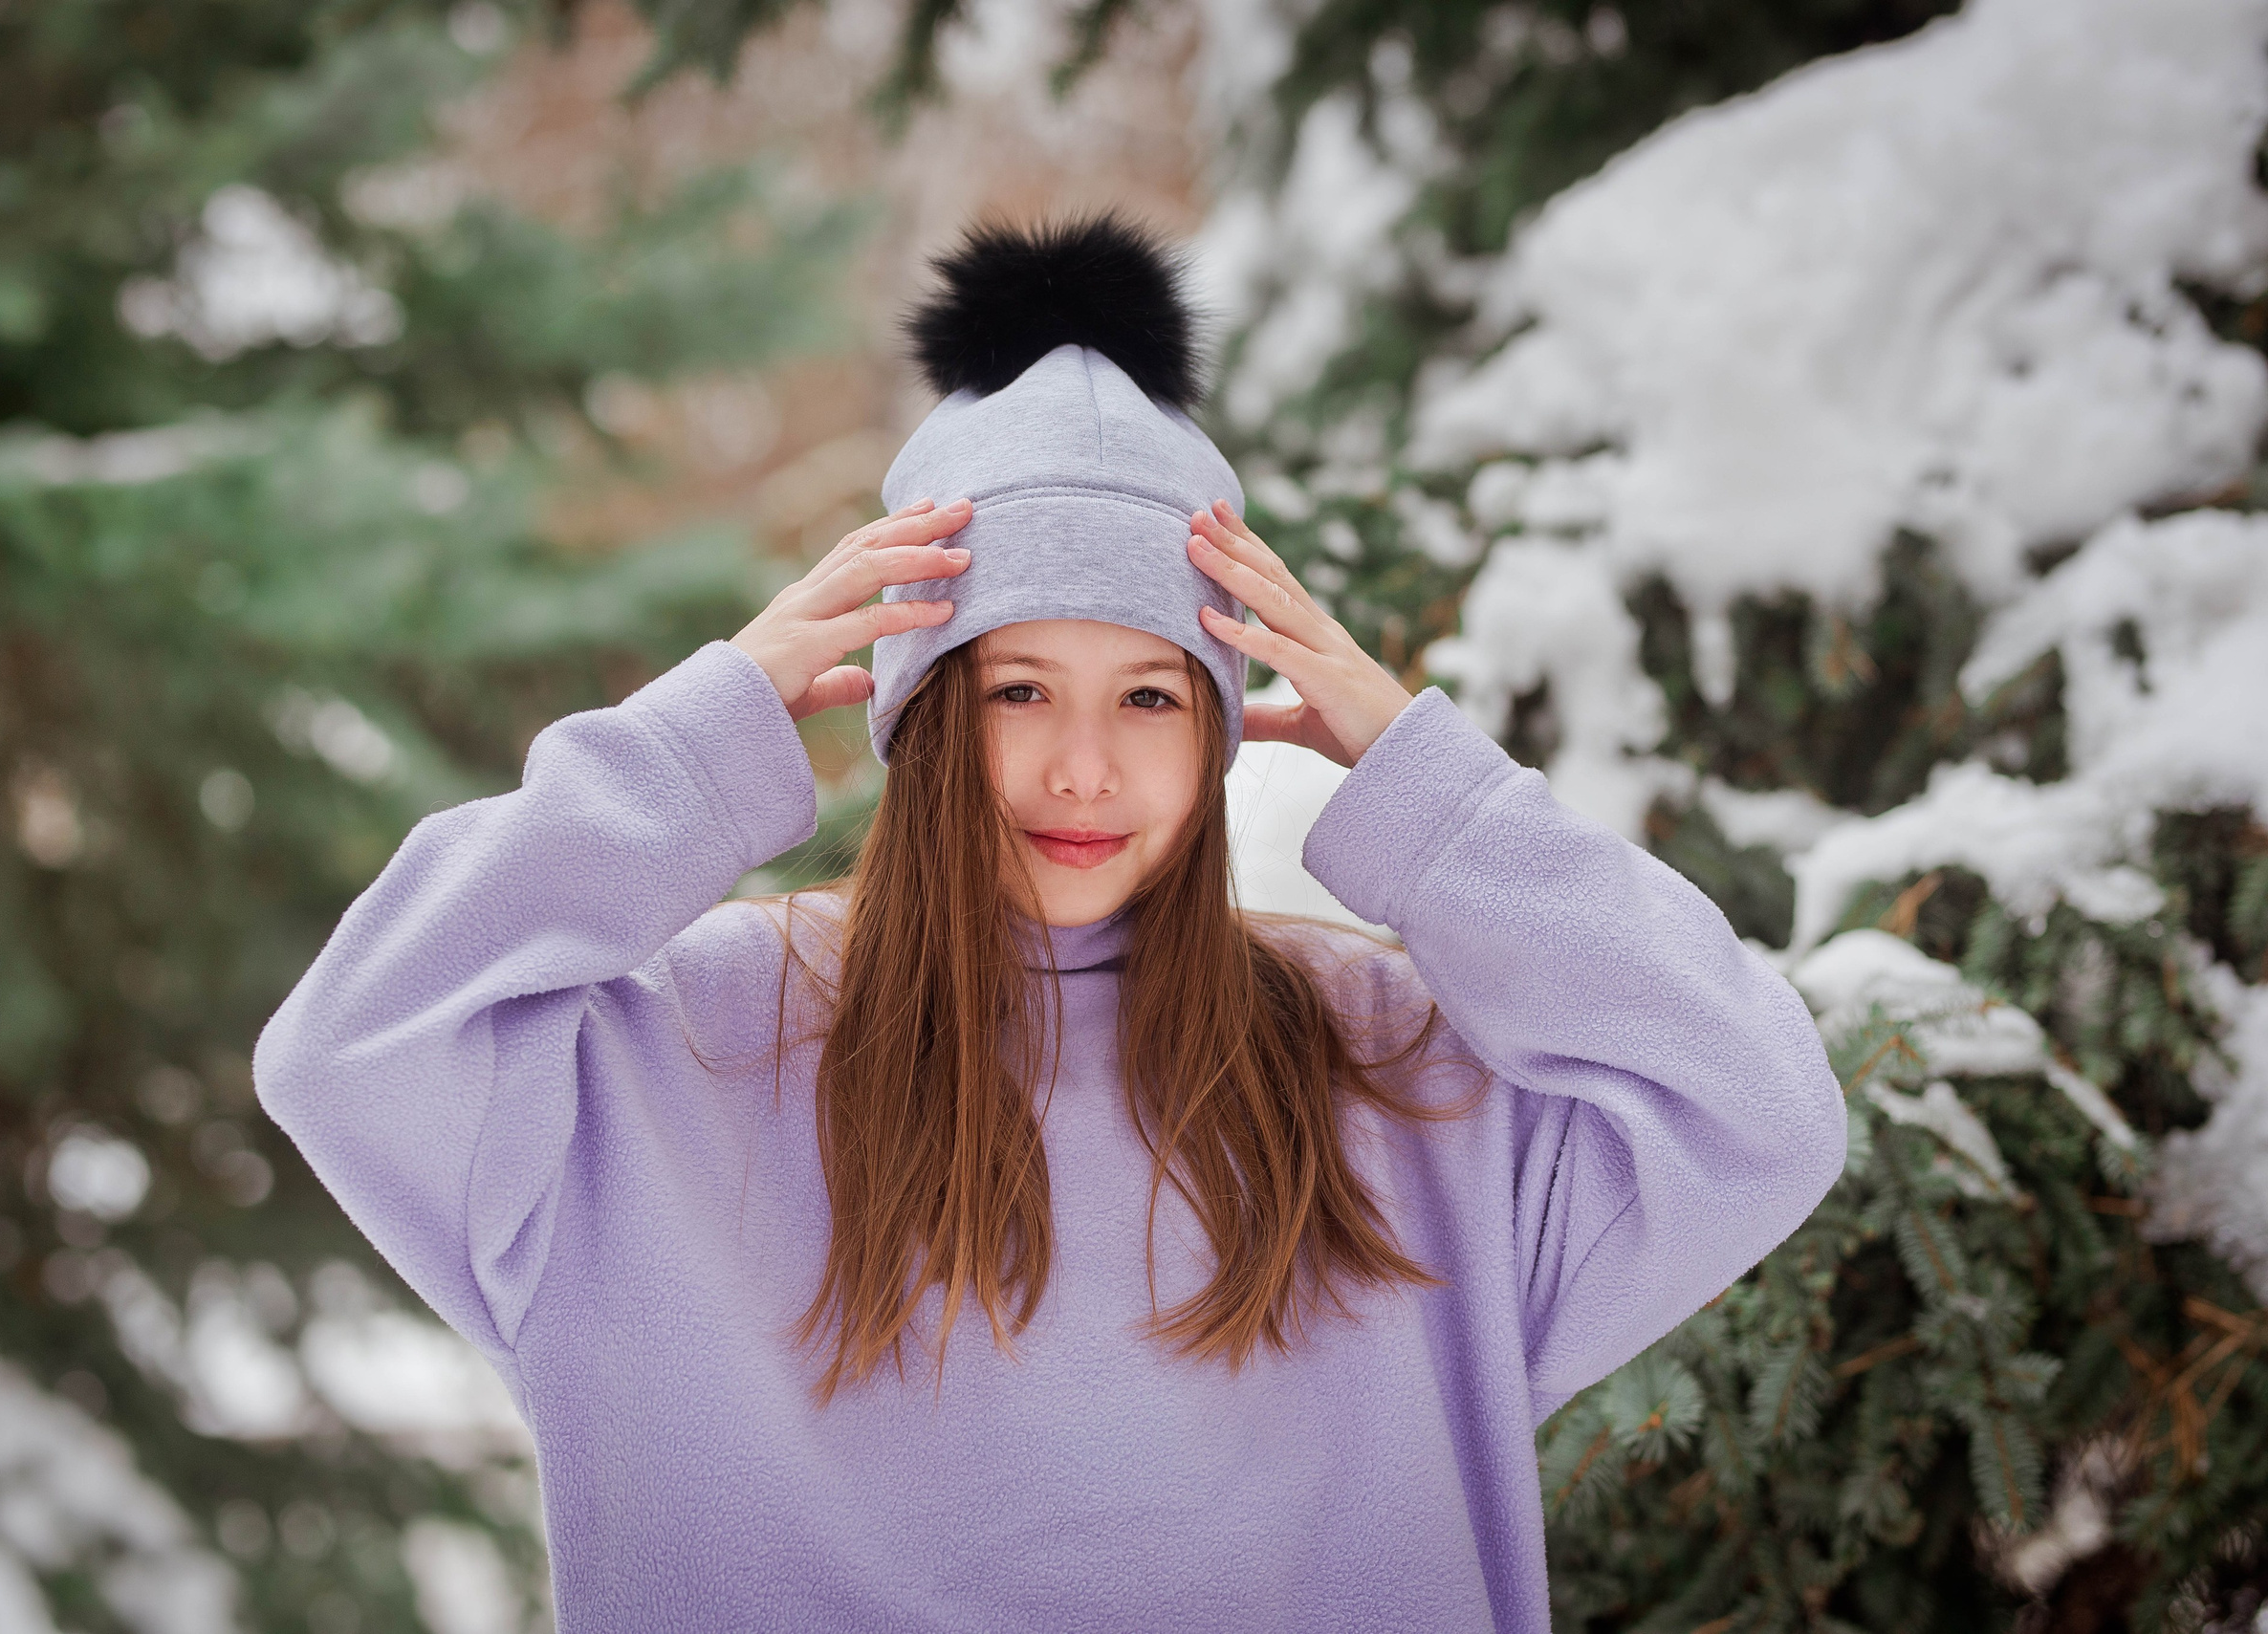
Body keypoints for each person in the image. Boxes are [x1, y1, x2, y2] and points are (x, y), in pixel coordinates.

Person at [255, 215, 1845, 1633]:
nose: (1085, 766)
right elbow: (350, 1046)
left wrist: (1436, 797)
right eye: (1018, 687)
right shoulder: (687, 1050)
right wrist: (699, 739)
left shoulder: (1391, 1071)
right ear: (920, 709)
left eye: (1153, 692)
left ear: (1223, 726)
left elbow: (1760, 1112)